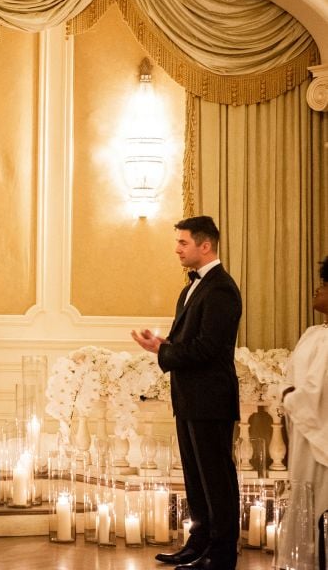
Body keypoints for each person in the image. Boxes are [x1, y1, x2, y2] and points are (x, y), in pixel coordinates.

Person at [131, 215, 241, 570]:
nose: (177, 249)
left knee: (215, 479)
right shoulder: (191, 287)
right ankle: (199, 544)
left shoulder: (221, 288)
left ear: (204, 245)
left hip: (211, 398)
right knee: (196, 478)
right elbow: (190, 344)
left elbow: (209, 349)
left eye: (183, 242)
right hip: (190, 397)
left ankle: (222, 554)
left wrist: (161, 353)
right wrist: (164, 344)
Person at [280, 255, 328, 570]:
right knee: (302, 501)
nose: (316, 289)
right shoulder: (314, 334)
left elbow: (317, 394)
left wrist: (289, 397)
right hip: (302, 435)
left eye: (324, 284)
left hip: (319, 439)